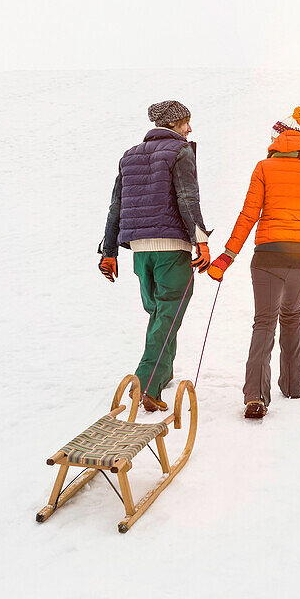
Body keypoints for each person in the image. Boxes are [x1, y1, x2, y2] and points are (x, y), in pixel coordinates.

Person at [208, 106, 300, 419]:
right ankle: (293, 385)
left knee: (264, 322)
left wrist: (228, 255)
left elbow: (249, 213)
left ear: (276, 141)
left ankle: (255, 396)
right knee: (292, 316)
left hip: (267, 255)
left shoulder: (264, 168)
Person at [98, 100, 211, 412]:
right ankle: (147, 384)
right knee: (167, 314)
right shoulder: (180, 151)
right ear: (174, 124)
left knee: (160, 313)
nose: (190, 129)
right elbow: (187, 197)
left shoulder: (129, 155)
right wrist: (201, 241)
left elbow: (115, 208)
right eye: (186, 122)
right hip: (171, 249)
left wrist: (109, 252)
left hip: (139, 251)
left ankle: (164, 373)